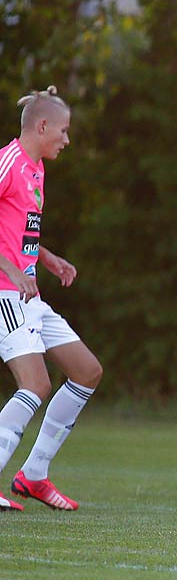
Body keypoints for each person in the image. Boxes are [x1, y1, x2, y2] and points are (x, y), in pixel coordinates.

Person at [0, 88, 102, 513]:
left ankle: (35, 474)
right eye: (63, 131)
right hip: (5, 293)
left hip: (30, 294)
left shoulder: (36, 168)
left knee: (87, 371)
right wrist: (11, 271)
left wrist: (45, 257)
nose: (67, 139)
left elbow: (16, 229)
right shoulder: (8, 162)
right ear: (42, 127)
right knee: (36, 385)